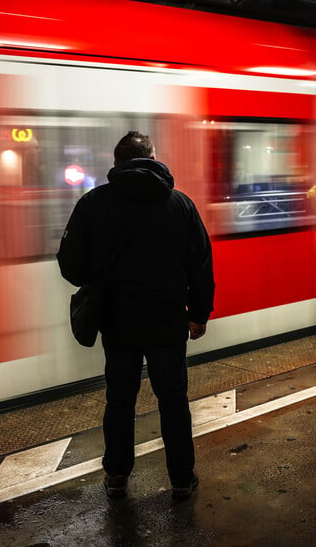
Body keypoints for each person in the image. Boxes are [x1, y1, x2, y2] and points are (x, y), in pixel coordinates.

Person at [57, 131, 215, 501]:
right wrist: (199, 314)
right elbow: (201, 265)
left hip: (118, 319)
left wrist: (97, 278)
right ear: (153, 158)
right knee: (173, 400)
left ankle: (116, 476)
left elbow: (71, 265)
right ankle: (180, 478)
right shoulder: (180, 204)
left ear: (116, 163)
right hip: (167, 319)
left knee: (120, 399)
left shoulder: (93, 203)